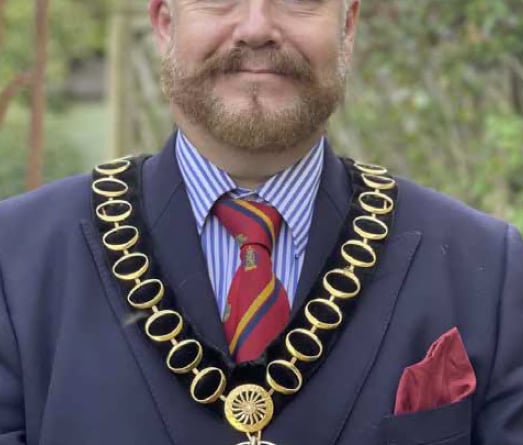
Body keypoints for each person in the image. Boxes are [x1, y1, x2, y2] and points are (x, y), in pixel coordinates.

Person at [0, 0, 522, 443]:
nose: (256, 27)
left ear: (347, 25)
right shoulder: (14, 264)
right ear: (164, 22)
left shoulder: (489, 269)